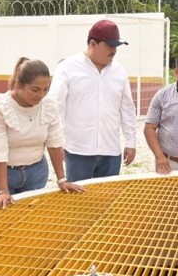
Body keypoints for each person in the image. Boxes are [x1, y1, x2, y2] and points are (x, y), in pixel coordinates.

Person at [0, 58, 84, 208]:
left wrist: (62, 179)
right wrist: (2, 190)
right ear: (19, 85)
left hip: (36, 172)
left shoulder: (49, 104)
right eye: (35, 90)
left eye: (45, 89)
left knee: (29, 222)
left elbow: (54, 142)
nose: (41, 95)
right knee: (4, 224)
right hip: (0, 176)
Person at [48, 19, 136, 182]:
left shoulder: (119, 72)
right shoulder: (67, 68)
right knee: (79, 204)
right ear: (93, 44)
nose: (114, 50)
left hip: (111, 152)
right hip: (78, 152)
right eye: (109, 45)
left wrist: (131, 141)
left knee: (107, 203)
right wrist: (57, 142)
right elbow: (55, 108)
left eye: (116, 46)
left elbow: (127, 109)